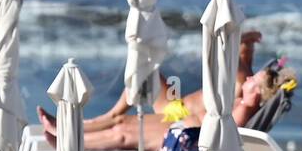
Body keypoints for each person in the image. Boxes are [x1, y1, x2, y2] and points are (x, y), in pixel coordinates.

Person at [37, 60, 295, 151]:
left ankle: (68, 142)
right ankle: (69, 129)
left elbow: (219, 136)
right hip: (180, 119)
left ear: (259, 93)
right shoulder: (242, 99)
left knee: (123, 130)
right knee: (124, 118)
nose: (249, 78)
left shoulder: (243, 108)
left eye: (254, 81)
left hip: (184, 131)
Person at [39, 30, 263, 135]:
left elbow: (234, 60)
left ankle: (83, 127)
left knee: (121, 118)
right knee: (144, 72)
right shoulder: (245, 83)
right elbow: (243, 61)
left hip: (177, 114)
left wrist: (242, 40)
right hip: (177, 106)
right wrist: (246, 43)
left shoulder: (241, 85)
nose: (254, 76)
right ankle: (107, 116)